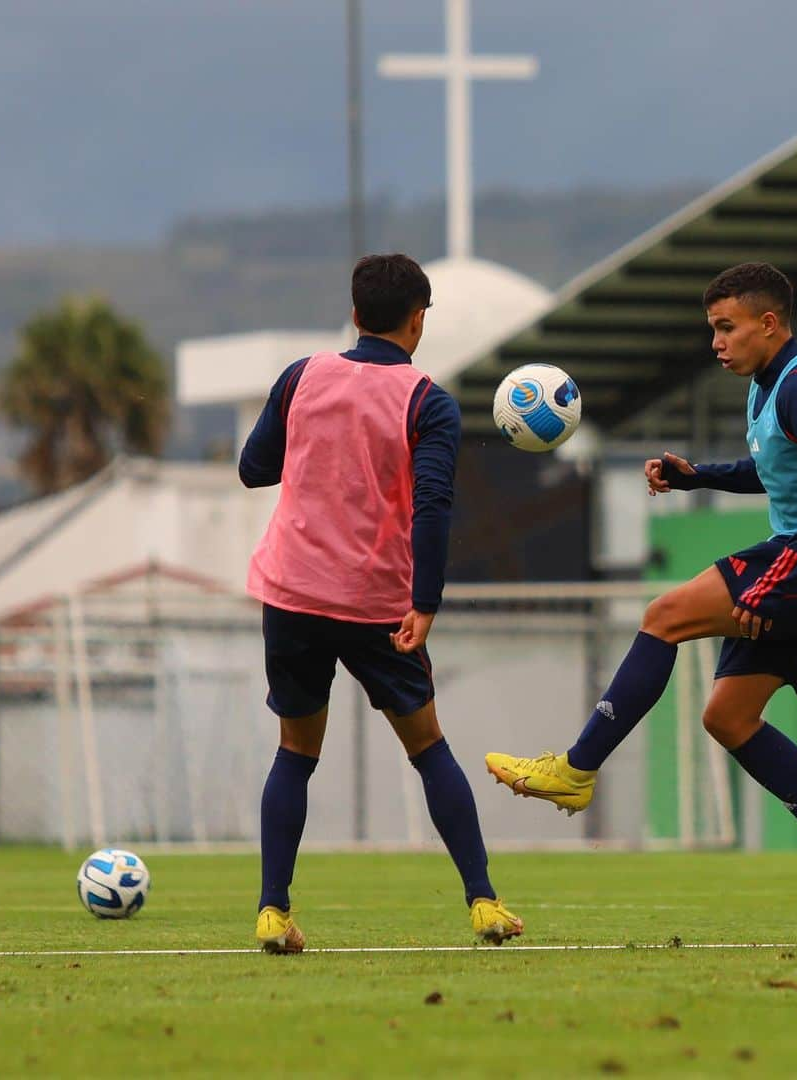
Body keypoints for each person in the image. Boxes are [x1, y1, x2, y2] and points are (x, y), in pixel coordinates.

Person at [486, 262, 797, 924]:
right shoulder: (771, 385)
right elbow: (775, 470)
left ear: (769, 323)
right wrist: (697, 476)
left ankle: (576, 770)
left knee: (664, 614)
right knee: (727, 718)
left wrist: (780, 574)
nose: (716, 343)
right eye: (713, 329)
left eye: (727, 328)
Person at [241, 253, 522, 952]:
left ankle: (273, 910)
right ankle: (483, 903)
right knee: (428, 747)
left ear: (357, 310)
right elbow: (432, 504)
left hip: (293, 592)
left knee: (295, 754)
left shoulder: (302, 376)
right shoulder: (429, 402)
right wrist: (425, 602)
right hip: (375, 605)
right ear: (418, 318)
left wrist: (315, 446)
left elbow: (253, 469)